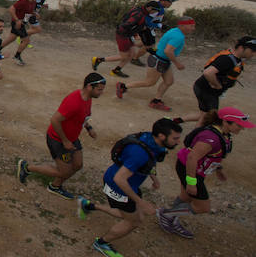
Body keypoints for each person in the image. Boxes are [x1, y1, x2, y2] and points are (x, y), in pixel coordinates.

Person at [77, 118, 183, 257]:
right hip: (118, 186)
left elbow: (151, 160)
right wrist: (142, 202)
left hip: (128, 184)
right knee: (134, 221)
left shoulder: (151, 140)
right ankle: (102, 243)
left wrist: (154, 178)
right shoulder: (139, 154)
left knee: (129, 214)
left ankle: (87, 205)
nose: (178, 142)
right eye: (175, 138)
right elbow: (119, 179)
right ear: (162, 136)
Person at [156, 107, 254, 239]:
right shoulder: (211, 138)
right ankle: (167, 215)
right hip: (190, 169)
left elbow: (213, 155)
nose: (242, 128)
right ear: (226, 122)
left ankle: (170, 217)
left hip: (190, 167)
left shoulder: (222, 134)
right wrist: (192, 182)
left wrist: (218, 169)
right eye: (239, 125)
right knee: (202, 207)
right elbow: (192, 157)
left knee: (186, 198)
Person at [17, 73, 105, 199]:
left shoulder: (88, 98)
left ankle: (55, 186)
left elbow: (84, 116)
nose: (101, 92)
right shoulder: (74, 102)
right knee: (64, 171)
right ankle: (27, 167)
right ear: (90, 86)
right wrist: (65, 141)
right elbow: (54, 120)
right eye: (99, 89)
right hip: (58, 139)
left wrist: (89, 128)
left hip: (72, 138)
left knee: (78, 165)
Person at [117, 17, 196, 111]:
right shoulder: (178, 36)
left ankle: (156, 101)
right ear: (182, 25)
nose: (193, 28)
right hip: (158, 60)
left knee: (169, 81)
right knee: (149, 82)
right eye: (191, 26)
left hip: (163, 60)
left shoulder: (176, 31)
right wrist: (177, 63)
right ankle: (123, 86)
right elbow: (168, 51)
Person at [175, 36, 255, 126]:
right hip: (207, 91)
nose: (254, 53)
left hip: (203, 88)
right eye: (252, 50)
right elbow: (208, 73)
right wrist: (217, 85)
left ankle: (175, 121)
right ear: (241, 48)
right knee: (209, 118)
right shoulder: (227, 59)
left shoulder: (233, 57)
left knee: (204, 114)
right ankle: (195, 137)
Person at [92, 1, 161, 78]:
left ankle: (116, 70)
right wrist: (134, 34)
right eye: (155, 10)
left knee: (131, 54)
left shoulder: (139, 10)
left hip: (127, 35)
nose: (155, 12)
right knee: (124, 56)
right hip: (123, 36)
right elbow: (127, 24)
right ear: (150, 8)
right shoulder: (139, 14)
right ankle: (98, 60)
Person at [130, 0, 176, 66]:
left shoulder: (159, 7)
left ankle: (130, 46)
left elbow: (152, 20)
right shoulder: (157, 8)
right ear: (163, 1)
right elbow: (146, 21)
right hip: (146, 28)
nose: (171, 4)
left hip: (148, 29)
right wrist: (159, 25)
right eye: (170, 1)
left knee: (144, 43)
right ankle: (134, 59)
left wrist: (158, 24)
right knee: (149, 46)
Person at [0, 0, 40, 66]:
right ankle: (17, 56)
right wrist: (17, 20)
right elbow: (11, 9)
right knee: (26, 40)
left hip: (22, 23)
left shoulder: (33, 2)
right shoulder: (23, 1)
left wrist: (35, 13)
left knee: (12, 38)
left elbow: (29, 11)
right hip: (17, 23)